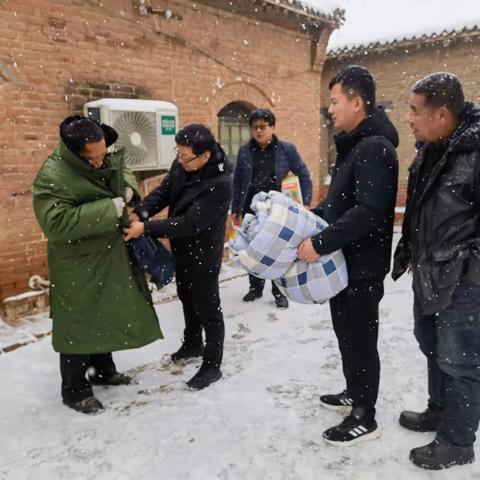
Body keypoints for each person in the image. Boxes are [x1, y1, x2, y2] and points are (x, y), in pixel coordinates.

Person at [32, 116, 162, 414]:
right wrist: (112, 206)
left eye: (102, 153)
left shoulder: (102, 153)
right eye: (93, 158)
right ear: (74, 151)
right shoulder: (52, 175)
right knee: (77, 322)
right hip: (77, 262)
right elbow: (57, 223)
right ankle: (74, 390)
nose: (99, 161)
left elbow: (121, 171)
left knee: (106, 310)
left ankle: (103, 369)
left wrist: (128, 190)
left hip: (109, 253)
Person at [297, 66, 398, 445]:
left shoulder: (374, 148)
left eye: (336, 101)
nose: (331, 110)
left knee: (360, 339)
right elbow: (339, 205)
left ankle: (364, 415)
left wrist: (320, 243)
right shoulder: (355, 145)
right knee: (346, 336)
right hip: (345, 266)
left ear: (358, 103)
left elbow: (368, 212)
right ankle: (354, 392)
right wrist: (309, 217)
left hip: (362, 268)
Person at [392, 73, 480, 470]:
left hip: (463, 277)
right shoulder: (431, 147)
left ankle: (457, 442)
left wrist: (470, 267)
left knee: (460, 361)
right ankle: (439, 410)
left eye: (414, 110)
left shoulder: (475, 153)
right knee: (431, 344)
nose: (408, 118)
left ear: (441, 114)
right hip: (430, 271)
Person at [124, 124, 232, 390]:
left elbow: (189, 224)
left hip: (204, 253)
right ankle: (193, 343)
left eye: (186, 156)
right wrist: (141, 212)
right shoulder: (182, 165)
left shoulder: (220, 184)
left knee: (208, 308)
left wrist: (145, 228)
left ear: (205, 156)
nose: (180, 159)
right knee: (186, 297)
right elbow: (164, 192)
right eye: (178, 153)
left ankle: (212, 364)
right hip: (182, 249)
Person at [231, 108, 312, 309]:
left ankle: (279, 291)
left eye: (263, 126)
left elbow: (303, 173)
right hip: (253, 208)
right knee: (254, 248)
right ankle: (255, 288)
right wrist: (236, 209)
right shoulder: (245, 151)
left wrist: (306, 200)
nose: (258, 131)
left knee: (279, 250)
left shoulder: (286, 149)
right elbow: (238, 181)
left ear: (272, 127)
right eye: (255, 127)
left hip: (278, 208)